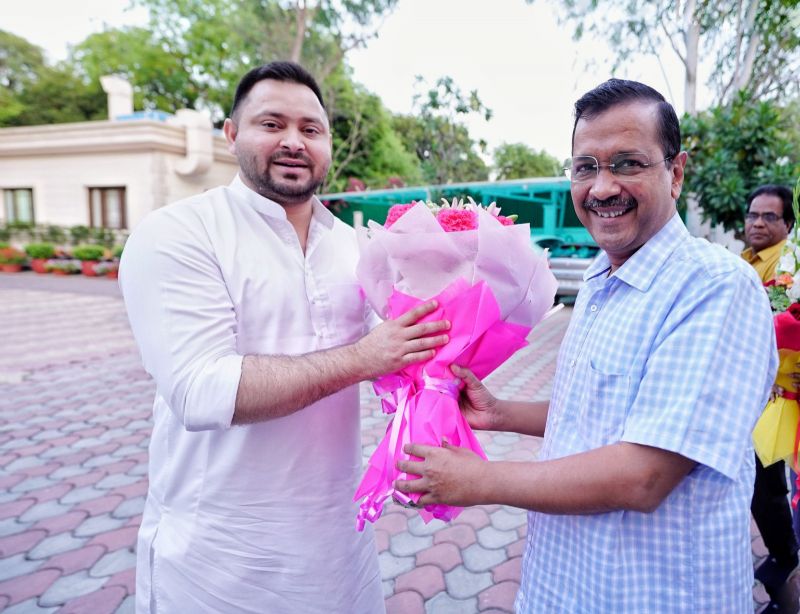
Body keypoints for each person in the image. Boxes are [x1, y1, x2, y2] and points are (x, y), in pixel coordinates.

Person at [394, 79, 778, 612]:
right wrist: (501, 413)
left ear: (677, 172)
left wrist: (480, 480)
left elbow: (644, 475)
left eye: (627, 163)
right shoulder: (601, 277)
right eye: (585, 167)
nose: (602, 187)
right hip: (563, 584)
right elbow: (605, 414)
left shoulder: (715, 287)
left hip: (652, 595)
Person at [119, 61, 449, 614]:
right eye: (271, 124)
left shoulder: (355, 248)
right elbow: (203, 391)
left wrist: (450, 355)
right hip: (217, 565)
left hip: (338, 552)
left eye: (311, 129)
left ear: (328, 144)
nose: (294, 142)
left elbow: (395, 363)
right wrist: (366, 358)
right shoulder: (178, 234)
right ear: (230, 135)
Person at [742, 184, 800, 610]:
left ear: (787, 225)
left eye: (769, 217)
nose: (758, 223)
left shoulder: (789, 268)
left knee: (768, 482)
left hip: (781, 396)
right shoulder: (744, 262)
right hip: (752, 392)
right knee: (760, 480)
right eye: (752, 215)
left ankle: (786, 560)